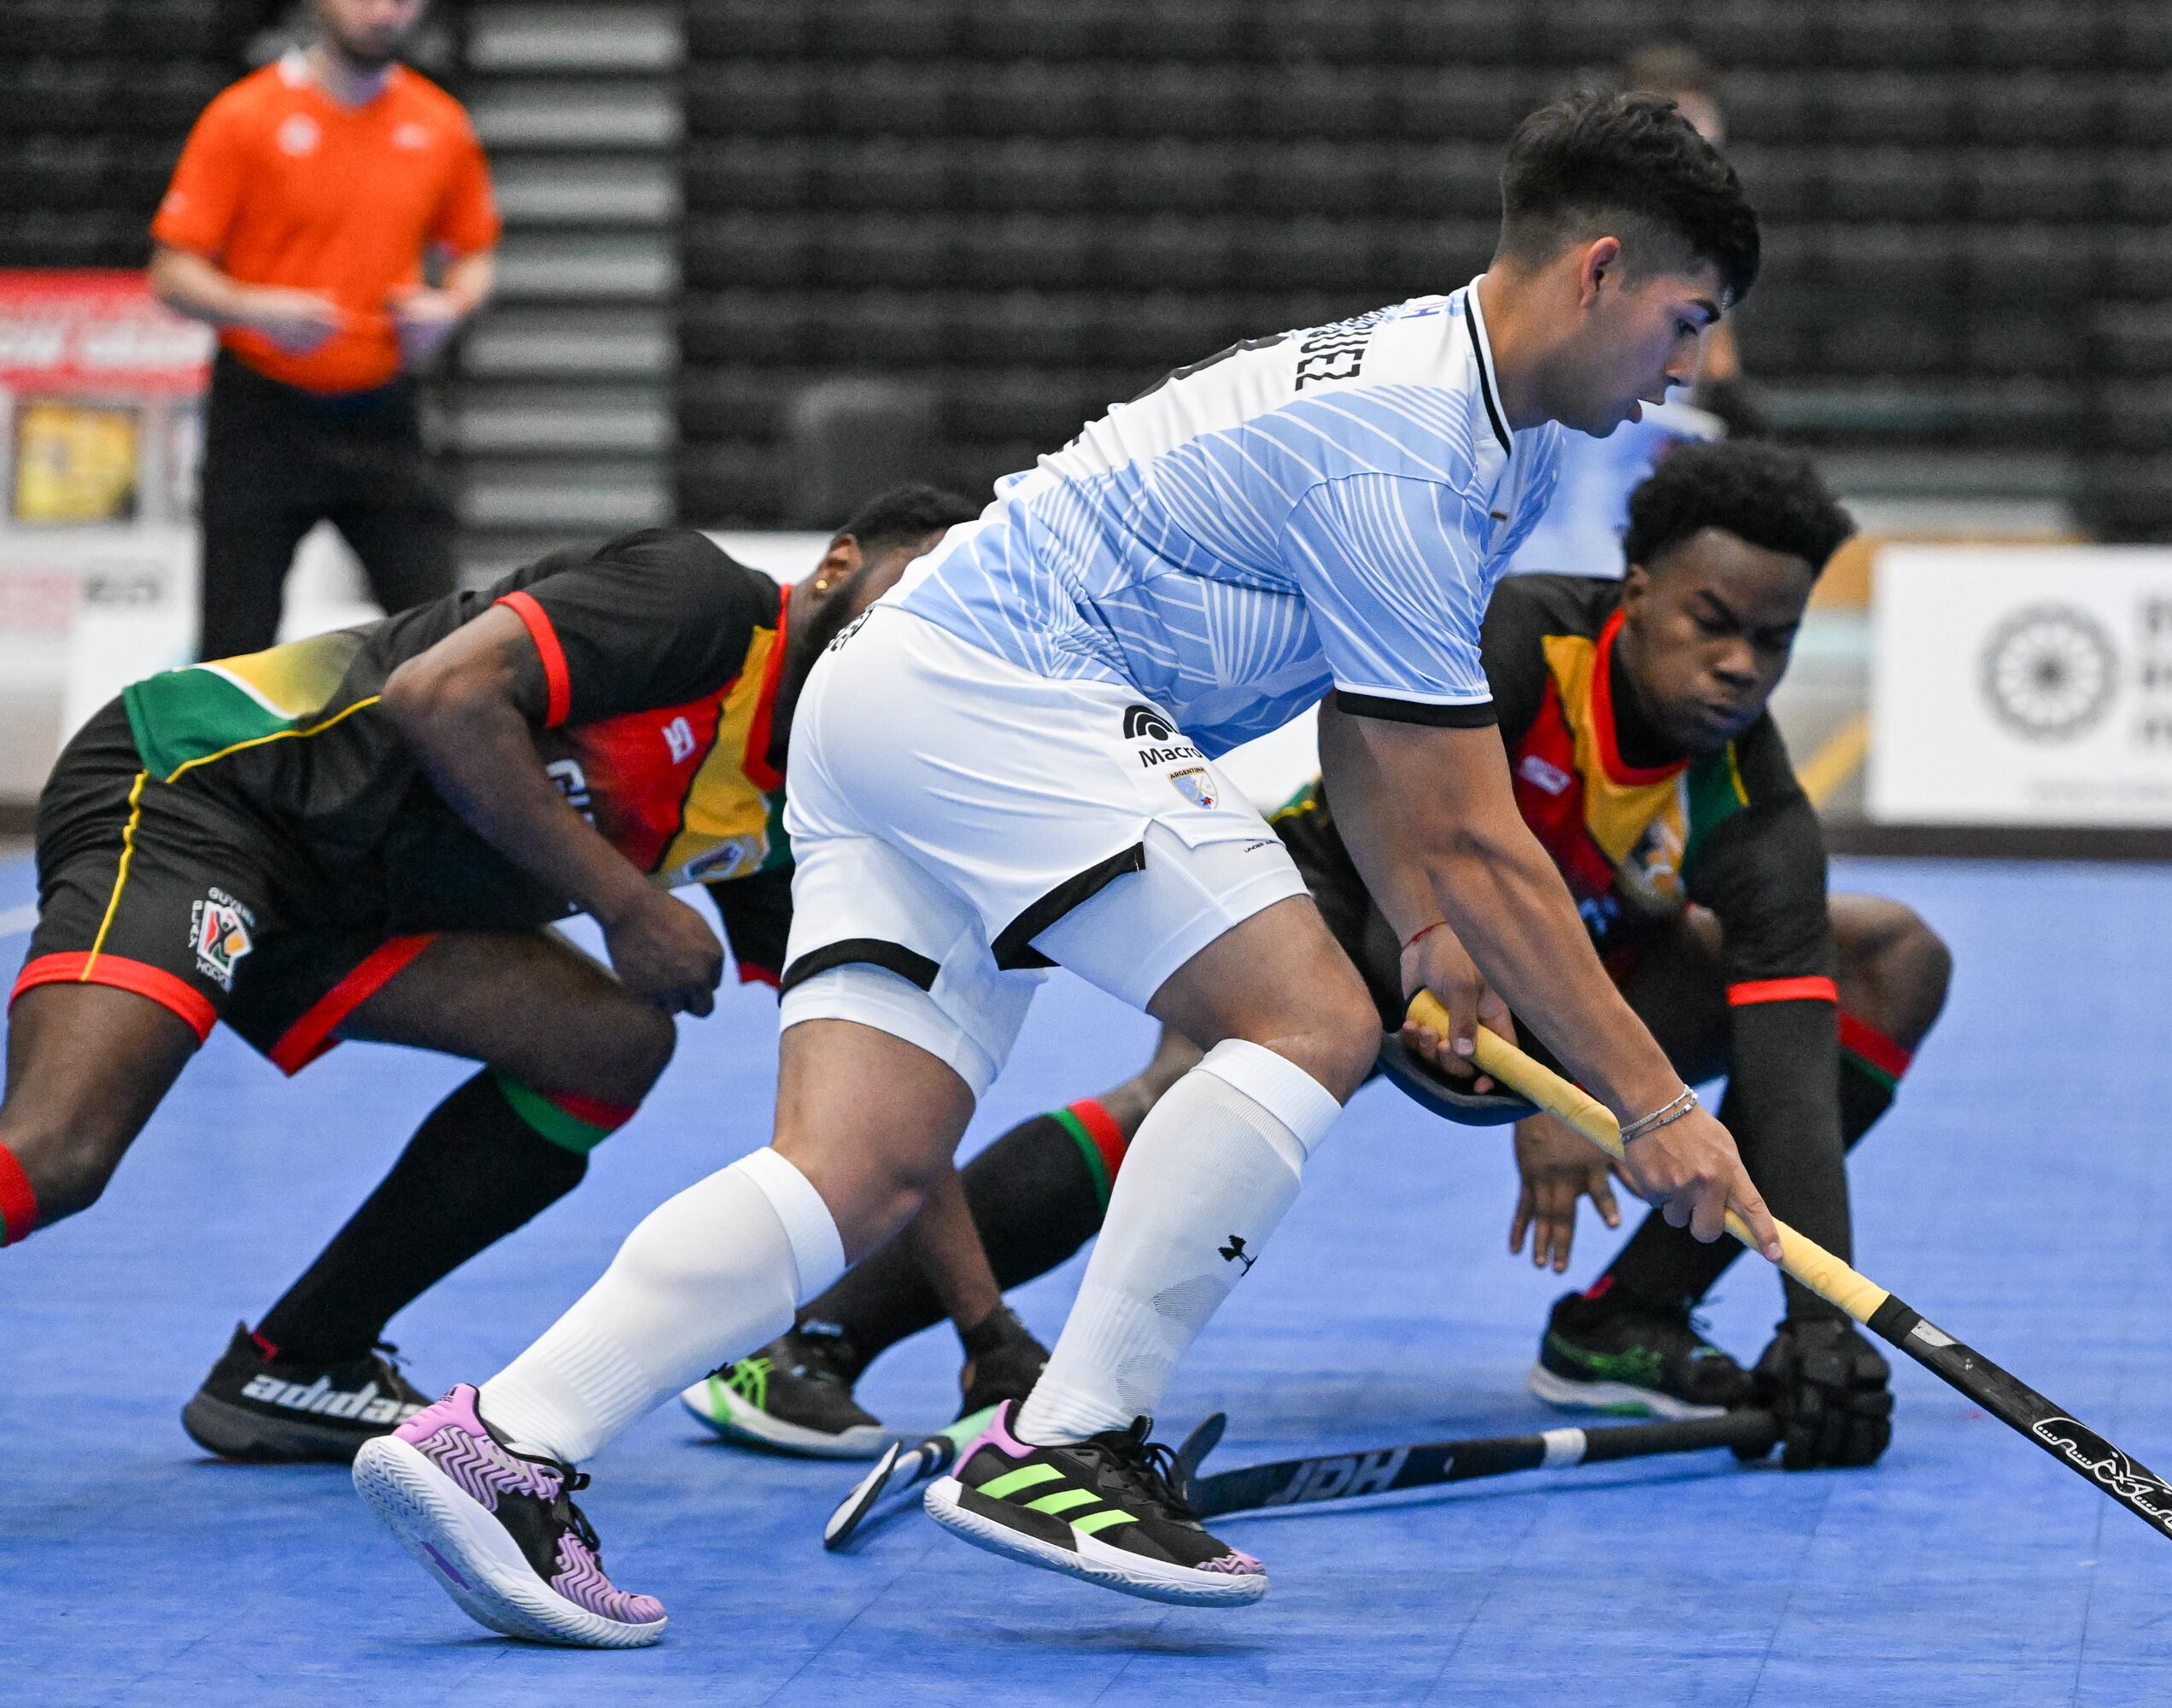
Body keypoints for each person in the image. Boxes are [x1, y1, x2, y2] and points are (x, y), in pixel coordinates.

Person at [353, 87, 1774, 1644]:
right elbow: (1478, 830)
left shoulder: (1473, 428)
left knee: (864, 1167)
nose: (1687, 371)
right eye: (1683, 321)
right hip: (1000, 691)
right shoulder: (1408, 446)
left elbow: (1377, 738)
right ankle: (1073, 1440)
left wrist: (1430, 935)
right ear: (1597, 270)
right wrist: (1651, 1104)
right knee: (1308, 1017)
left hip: (891, 708)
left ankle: (504, 1442)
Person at [697, 442, 1949, 1472]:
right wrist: (1581, 1072)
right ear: (1634, 592)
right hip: (1355, 899)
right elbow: (1419, 845)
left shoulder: (1754, 800)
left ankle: (1627, 1322)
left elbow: (1785, 1068)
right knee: (1183, 1105)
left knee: (1890, 964)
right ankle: (813, 1341)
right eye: (1712, 623)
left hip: (1567, 975)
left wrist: (1820, 1322)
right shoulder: (1517, 645)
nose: (1740, 665)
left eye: (1773, 643)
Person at [0, 484, 981, 1467]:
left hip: (351, 896)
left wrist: (988, 1333)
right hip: (207, 785)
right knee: (61, 1156)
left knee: (607, 1046)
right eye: (910, 589)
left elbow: (871, 1090)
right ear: (839, 563)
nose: (911, 634)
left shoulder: (797, 803)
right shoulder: (705, 603)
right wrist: (630, 905)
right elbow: (440, 694)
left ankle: (302, 1357)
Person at [149, 0, 498, 660]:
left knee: (444, 637)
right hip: (261, 413)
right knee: (235, 643)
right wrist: (256, 308)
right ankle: (229, 765)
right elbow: (171, 272)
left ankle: (432, 764)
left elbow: (474, 254)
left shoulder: (439, 124)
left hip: (382, 413)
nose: (382, 12)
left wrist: (448, 307)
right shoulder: (244, 117)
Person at [1508, 42, 1767, 580]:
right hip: (1572, 464)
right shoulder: (1592, 211)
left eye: (1699, 115)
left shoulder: (1708, 227)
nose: (1692, 131)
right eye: (1676, 113)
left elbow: (1712, 342)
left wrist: (1722, 388)